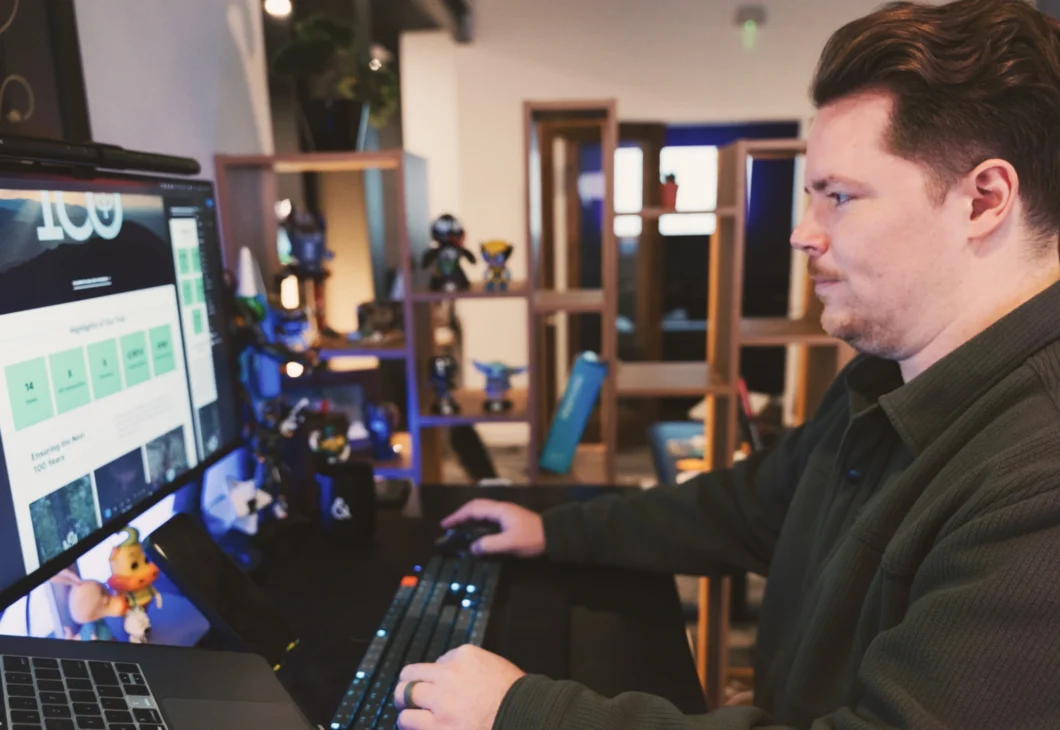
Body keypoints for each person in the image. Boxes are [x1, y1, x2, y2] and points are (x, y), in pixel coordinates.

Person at [395, 0, 1060, 727]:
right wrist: (556, 531)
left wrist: (524, 712)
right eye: (812, 197)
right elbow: (748, 507)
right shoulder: (887, 374)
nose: (804, 235)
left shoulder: (1038, 480)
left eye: (840, 197)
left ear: (984, 199)